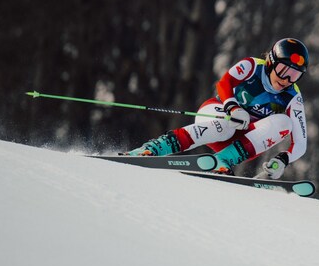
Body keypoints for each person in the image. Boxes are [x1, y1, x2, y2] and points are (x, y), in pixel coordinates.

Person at [124, 38, 309, 180]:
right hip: (217, 115)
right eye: (284, 70)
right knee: (227, 125)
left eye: (295, 75)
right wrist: (232, 107)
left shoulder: (293, 97)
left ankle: (224, 161)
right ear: (271, 62)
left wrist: (283, 159)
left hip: (241, 143)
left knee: (284, 122)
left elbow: (300, 142)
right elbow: (224, 82)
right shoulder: (253, 66)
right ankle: (154, 148)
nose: (286, 80)